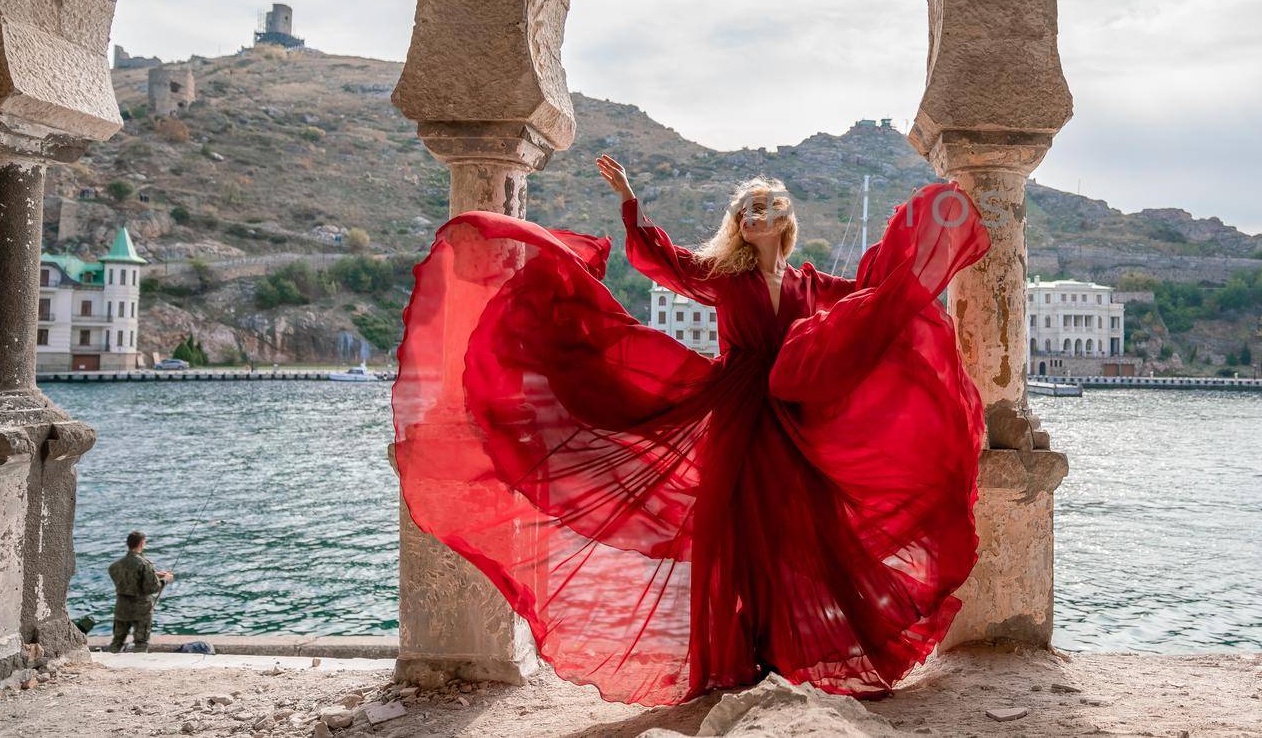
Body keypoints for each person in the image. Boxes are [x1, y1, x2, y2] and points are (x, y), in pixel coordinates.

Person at [391, 156, 990, 706]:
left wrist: (931, 226)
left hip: (792, 423)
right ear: (738, 223)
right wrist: (631, 204)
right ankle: (737, 661)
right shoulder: (723, 278)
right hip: (734, 413)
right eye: (748, 208)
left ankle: (799, 654)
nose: (758, 214)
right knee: (730, 532)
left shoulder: (814, 287)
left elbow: (873, 297)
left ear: (786, 220)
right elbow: (661, 261)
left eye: (769, 206)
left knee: (802, 532)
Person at [107, 530, 173, 652]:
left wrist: (154, 574)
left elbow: (126, 576)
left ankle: (108, 664)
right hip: (141, 609)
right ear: (142, 543)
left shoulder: (116, 565)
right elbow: (152, 588)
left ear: (128, 544)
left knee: (117, 641)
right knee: (141, 643)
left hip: (122, 607)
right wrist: (165, 580)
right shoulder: (144, 564)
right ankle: (137, 664)